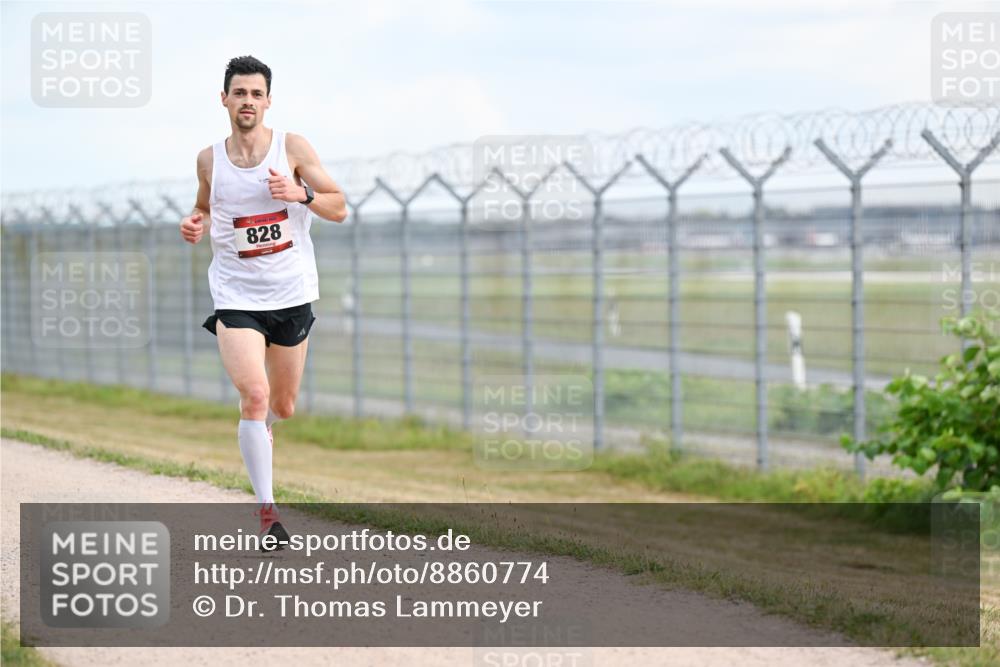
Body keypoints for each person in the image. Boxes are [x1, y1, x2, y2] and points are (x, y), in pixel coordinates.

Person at [179, 55, 347, 551]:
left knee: (283, 406)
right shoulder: (209, 160)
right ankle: (269, 515)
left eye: (256, 94)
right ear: (224, 99)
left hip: (291, 293)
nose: (247, 101)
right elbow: (204, 206)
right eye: (239, 93)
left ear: (268, 101)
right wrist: (195, 222)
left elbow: (339, 207)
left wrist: (300, 193)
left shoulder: (291, 147)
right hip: (235, 295)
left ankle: (263, 430)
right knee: (254, 395)